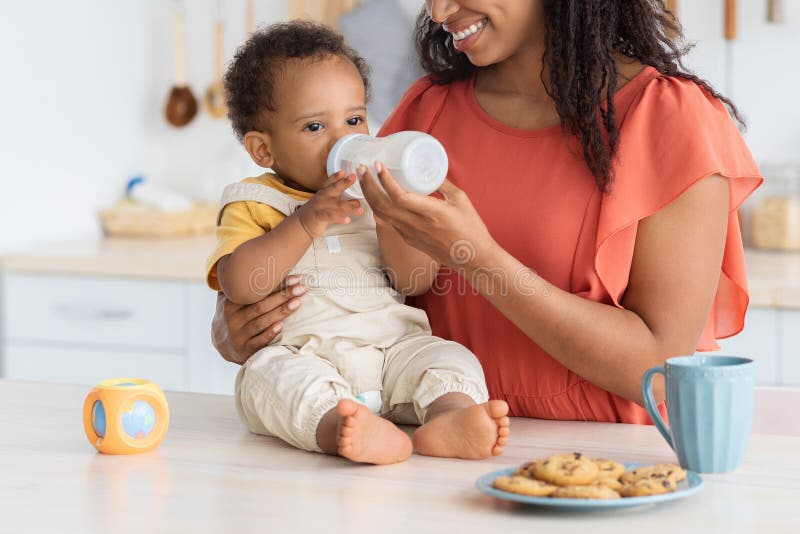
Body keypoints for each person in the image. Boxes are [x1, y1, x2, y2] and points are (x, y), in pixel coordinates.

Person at [212, 1, 762, 425]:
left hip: (608, 464)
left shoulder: (669, 119)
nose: (440, 11)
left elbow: (661, 368)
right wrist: (240, 325)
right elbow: (365, 280)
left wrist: (473, 256)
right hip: (431, 452)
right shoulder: (425, 112)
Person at [206, 20, 509, 465]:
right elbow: (241, 285)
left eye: (354, 119)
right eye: (314, 127)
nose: (344, 139)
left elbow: (415, 279)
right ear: (263, 150)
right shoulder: (255, 202)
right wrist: (306, 223)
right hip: (306, 355)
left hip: (391, 352)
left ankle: (449, 417)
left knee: (447, 357)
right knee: (267, 380)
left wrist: (392, 218)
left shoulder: (376, 197)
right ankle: (341, 428)